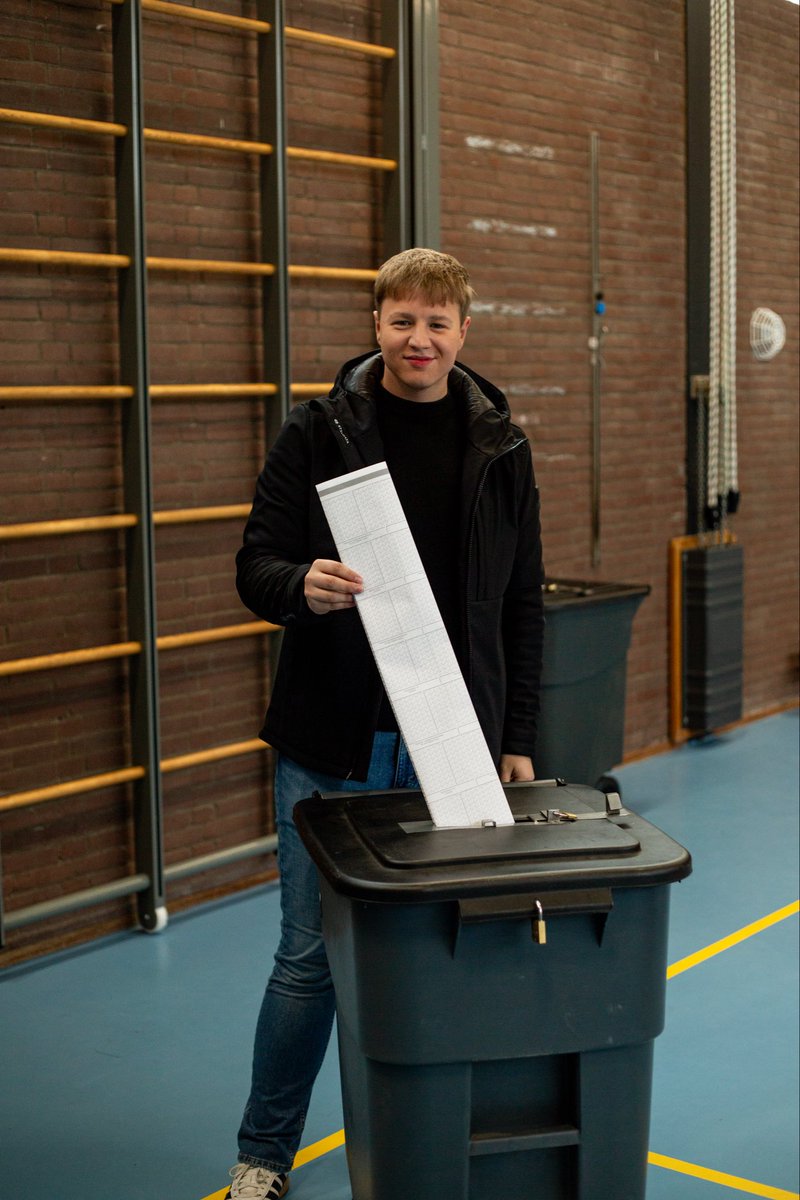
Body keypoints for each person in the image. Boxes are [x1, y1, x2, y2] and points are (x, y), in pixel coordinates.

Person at [226, 247, 545, 1200]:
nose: (420, 340)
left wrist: (518, 737)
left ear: (463, 332)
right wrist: (302, 585)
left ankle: (440, 1146)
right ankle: (262, 1157)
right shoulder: (317, 431)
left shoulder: (503, 447)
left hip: (453, 743)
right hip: (335, 742)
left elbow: (522, 603)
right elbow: (256, 565)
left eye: (437, 324)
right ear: (377, 325)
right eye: (402, 320)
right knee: (307, 961)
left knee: (452, 948)